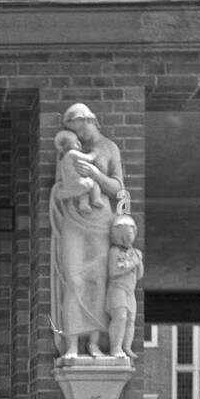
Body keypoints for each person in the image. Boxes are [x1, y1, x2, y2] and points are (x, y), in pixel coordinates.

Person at [49, 103, 128, 358]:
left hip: (101, 221)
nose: (77, 135)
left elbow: (119, 189)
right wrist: (76, 187)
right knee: (74, 279)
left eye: (78, 127)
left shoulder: (109, 148)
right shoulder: (68, 151)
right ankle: (72, 345)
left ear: (89, 120)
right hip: (73, 218)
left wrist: (94, 173)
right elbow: (60, 188)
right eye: (72, 130)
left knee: (97, 281)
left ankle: (94, 343)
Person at [105, 215, 143, 358]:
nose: (127, 238)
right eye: (124, 235)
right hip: (117, 289)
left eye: (130, 234)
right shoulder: (115, 251)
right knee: (120, 316)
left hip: (130, 291)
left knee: (130, 319)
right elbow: (114, 272)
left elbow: (139, 275)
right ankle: (116, 347)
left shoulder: (134, 252)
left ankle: (126, 347)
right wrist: (133, 262)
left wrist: (138, 261)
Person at [53, 127, 105, 214]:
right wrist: (95, 153)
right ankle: (96, 199)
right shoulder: (72, 154)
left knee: (83, 192)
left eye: (78, 141)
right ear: (66, 146)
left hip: (68, 186)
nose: (79, 143)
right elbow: (88, 158)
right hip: (78, 182)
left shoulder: (62, 161)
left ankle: (83, 204)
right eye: (75, 142)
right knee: (93, 184)